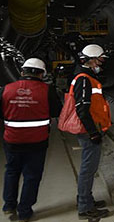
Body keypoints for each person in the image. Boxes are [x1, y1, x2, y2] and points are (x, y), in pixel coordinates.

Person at [1, 58, 62, 222]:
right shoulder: (47, 90)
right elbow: (57, 111)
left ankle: (8, 205)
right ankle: (25, 211)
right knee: (32, 175)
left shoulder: (6, 89)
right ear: (42, 74)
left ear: (22, 72)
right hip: (37, 141)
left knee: (12, 171)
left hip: (12, 140)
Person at [72, 44, 111, 220]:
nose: (101, 63)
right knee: (88, 169)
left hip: (91, 129)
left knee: (90, 167)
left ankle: (86, 200)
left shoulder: (85, 76)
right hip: (89, 131)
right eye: (100, 60)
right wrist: (93, 132)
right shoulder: (84, 79)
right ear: (92, 59)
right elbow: (82, 109)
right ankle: (85, 208)